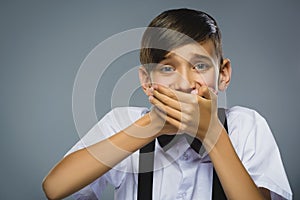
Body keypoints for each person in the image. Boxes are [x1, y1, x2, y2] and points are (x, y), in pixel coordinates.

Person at [42, 8, 292, 200]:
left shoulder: (246, 126)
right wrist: (151, 126)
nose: (183, 84)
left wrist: (212, 133)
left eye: (201, 66)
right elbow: (54, 188)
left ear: (223, 74)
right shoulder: (122, 121)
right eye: (167, 68)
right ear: (147, 80)